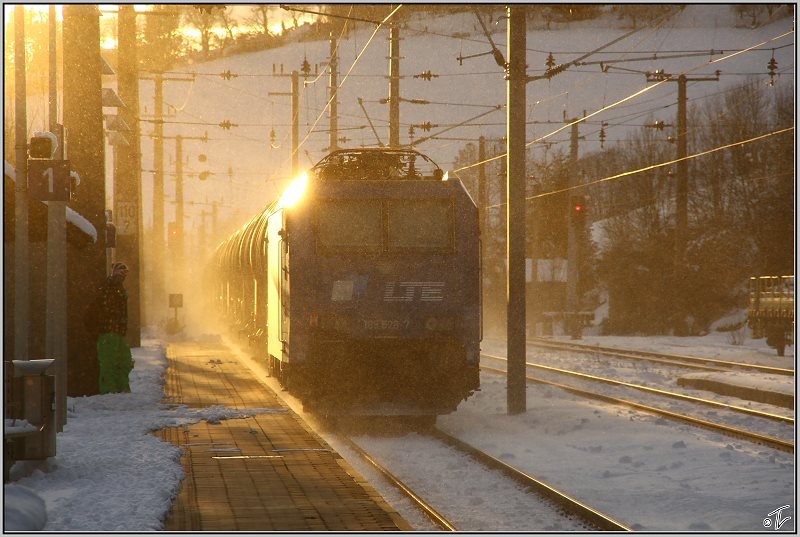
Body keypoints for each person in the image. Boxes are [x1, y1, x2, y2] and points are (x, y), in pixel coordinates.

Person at [85, 262, 134, 393]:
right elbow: (98, 308)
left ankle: (121, 388)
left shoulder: (118, 288)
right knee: (109, 363)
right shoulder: (108, 287)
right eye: (120, 273)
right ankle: (110, 392)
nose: (123, 276)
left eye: (125, 273)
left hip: (117, 332)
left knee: (124, 361)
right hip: (108, 331)